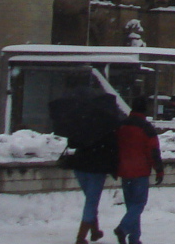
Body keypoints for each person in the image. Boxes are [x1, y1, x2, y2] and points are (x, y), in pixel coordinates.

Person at [52, 77, 123, 244]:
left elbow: (72, 143)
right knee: (91, 202)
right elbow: (113, 149)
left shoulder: (81, 124)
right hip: (96, 169)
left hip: (80, 166)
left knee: (90, 200)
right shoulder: (107, 127)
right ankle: (80, 237)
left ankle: (94, 231)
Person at [113, 107, 164, 244]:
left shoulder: (122, 125)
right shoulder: (146, 128)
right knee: (139, 204)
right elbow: (153, 151)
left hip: (125, 171)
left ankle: (134, 239)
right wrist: (159, 170)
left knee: (131, 206)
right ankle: (123, 228)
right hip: (140, 171)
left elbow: (115, 147)